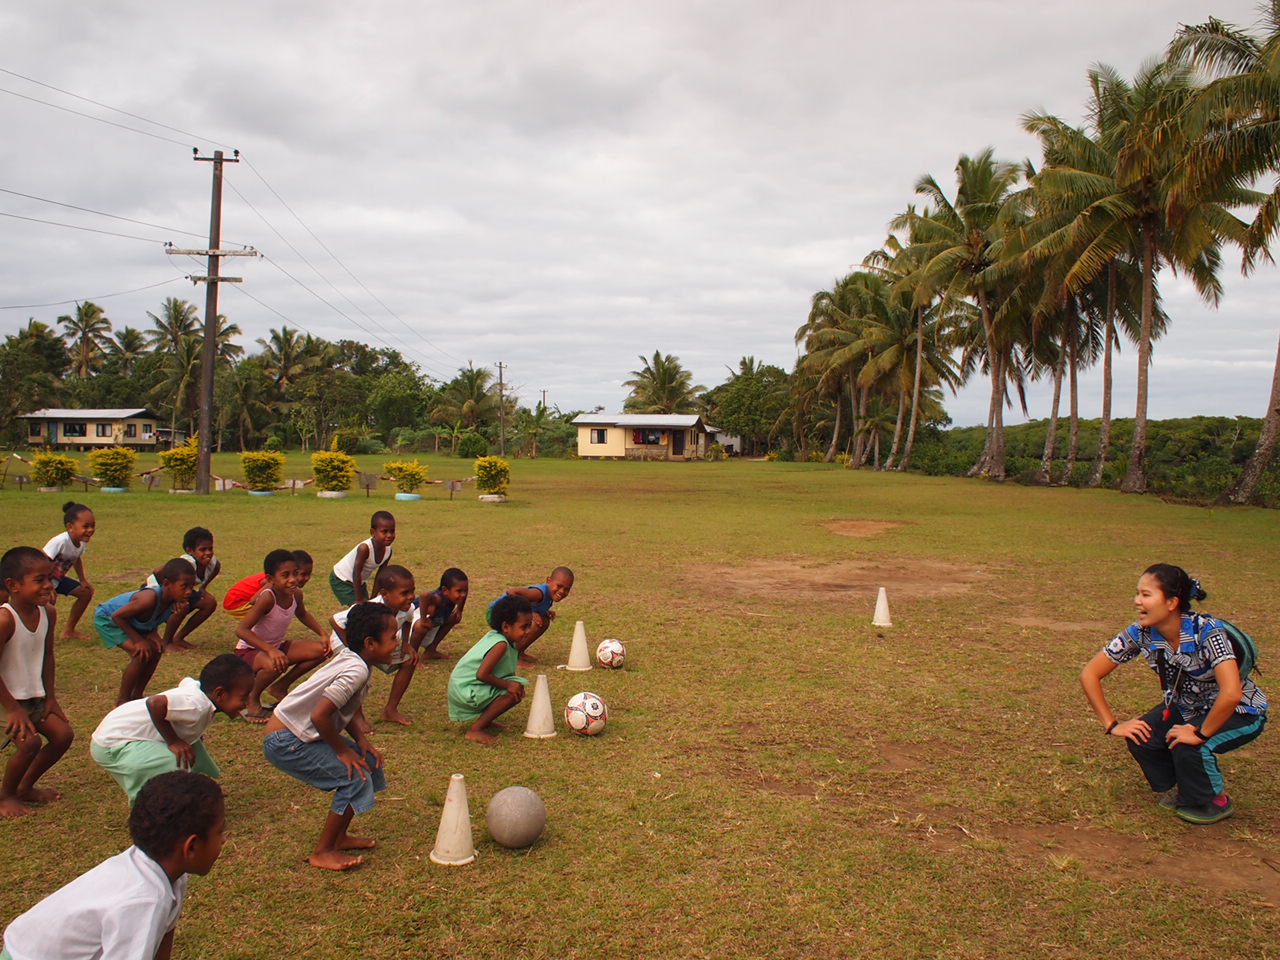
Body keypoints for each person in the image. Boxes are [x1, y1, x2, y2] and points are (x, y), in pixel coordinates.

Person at [1081, 563, 1268, 824]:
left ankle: (1215, 800)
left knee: (1188, 744)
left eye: (1146, 595)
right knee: (1141, 735)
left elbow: (1231, 694)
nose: (1137, 601)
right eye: (1137, 594)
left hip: (1240, 712)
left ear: (1171, 602)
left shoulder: (1209, 632)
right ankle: (1188, 788)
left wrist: (1199, 732)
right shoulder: (1140, 633)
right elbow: (1090, 674)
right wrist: (1112, 725)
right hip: (1186, 706)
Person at [0, 770, 225, 960]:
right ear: (191, 847)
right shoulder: (143, 900)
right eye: (219, 832)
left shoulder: (163, 869)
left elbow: (164, 937)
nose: (223, 840)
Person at [262, 601, 398, 871]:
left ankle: (339, 837)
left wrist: (361, 742)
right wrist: (342, 751)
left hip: (300, 734)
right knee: (354, 776)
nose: (397, 643)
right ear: (370, 643)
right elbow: (320, 716)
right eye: (393, 638)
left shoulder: (356, 660)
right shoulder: (356, 669)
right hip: (286, 740)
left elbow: (344, 708)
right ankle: (322, 851)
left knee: (366, 763)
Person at [91, 653, 253, 804]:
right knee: (173, 760)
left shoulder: (200, 691)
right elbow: (156, 704)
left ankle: (188, 788)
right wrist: (174, 741)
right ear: (219, 694)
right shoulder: (196, 706)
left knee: (191, 747)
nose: (246, 704)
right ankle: (151, 805)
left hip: (118, 732)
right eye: (243, 698)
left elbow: (186, 681)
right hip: (112, 743)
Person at [0, 547, 74, 818]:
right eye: (40, 580)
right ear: (13, 585)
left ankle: (24, 787)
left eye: (50, 578)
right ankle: (5, 796)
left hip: (34, 697)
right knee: (29, 744)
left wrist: (50, 697)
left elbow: (48, 655)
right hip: (7, 701)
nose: (48, 585)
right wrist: (14, 709)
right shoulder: (5, 618)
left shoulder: (48, 613)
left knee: (62, 735)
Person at [234, 549, 329, 722]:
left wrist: (323, 633)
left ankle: (280, 687)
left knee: (323, 650)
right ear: (271, 579)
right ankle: (253, 697)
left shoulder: (296, 595)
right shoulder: (268, 597)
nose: (293, 580)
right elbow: (242, 630)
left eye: (295, 573)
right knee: (274, 663)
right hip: (249, 651)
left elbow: (302, 614)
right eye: (285, 575)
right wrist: (270, 650)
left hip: (277, 646)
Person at [95, 559, 195, 705]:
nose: (189, 591)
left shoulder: (176, 602)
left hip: (132, 622)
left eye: (192, 586)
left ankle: (137, 695)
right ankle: (122, 700)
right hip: (109, 619)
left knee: (156, 650)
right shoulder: (149, 598)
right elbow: (117, 616)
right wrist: (138, 640)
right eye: (184, 586)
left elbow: (152, 618)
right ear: (166, 583)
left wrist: (153, 632)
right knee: (141, 653)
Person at [328, 565, 418, 725]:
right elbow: (335, 620)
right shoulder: (370, 609)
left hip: (377, 644)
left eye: (412, 591)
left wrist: (406, 644)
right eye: (405, 593)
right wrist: (353, 648)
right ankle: (357, 717)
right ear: (384, 594)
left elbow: (408, 620)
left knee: (409, 661)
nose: (411, 597)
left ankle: (391, 710)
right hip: (348, 643)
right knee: (360, 671)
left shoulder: (407, 607)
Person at [448, 594, 532, 744]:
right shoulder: (501, 645)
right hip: (465, 689)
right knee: (513, 692)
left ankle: (486, 720)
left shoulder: (505, 640)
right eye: (524, 627)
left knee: (515, 687)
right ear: (506, 627)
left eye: (529, 626)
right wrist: (508, 685)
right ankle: (475, 730)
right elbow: (482, 674)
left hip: (466, 685)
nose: (527, 631)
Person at [145, 527, 221, 653]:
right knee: (182, 606)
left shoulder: (213, 563)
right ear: (189, 551)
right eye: (202, 549)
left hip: (179, 592)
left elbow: (216, 569)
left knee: (209, 603)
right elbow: (157, 571)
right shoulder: (187, 562)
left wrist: (203, 588)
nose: (208, 553)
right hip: (158, 591)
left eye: (210, 548)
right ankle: (166, 642)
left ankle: (179, 638)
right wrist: (175, 598)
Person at [487, 566, 573, 665]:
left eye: (567, 589)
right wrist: (531, 613)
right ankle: (512, 657)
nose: (562, 591)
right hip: (496, 613)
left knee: (544, 621)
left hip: (509, 613)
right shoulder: (538, 593)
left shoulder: (548, 596)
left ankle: (519, 652)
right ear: (549, 581)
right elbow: (512, 592)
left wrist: (544, 611)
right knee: (534, 623)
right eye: (559, 586)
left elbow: (535, 605)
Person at [42, 500, 96, 641]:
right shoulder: (60, 541)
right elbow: (42, 561)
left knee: (85, 593)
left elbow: (76, 558)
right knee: (47, 606)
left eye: (92, 526)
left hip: (58, 580)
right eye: (85, 526)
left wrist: (83, 580)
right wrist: (46, 585)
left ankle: (69, 631)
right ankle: (40, 637)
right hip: (43, 580)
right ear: (70, 527)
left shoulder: (82, 541)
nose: (90, 530)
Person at [330, 511, 396, 605]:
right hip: (341, 579)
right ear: (373, 532)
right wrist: (359, 600)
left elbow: (380, 576)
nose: (389, 535)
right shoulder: (365, 548)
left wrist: (374, 598)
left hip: (359, 582)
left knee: (368, 608)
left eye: (392, 531)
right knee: (358, 610)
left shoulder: (388, 551)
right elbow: (356, 572)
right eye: (384, 531)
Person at [412, 567, 469, 660]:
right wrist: (423, 619)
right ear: (445, 590)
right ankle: (413, 657)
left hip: (434, 620)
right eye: (459, 591)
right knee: (421, 627)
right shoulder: (438, 598)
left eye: (465, 591)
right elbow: (424, 596)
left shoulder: (453, 596)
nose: (463, 595)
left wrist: (459, 610)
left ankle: (430, 651)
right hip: (412, 620)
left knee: (454, 617)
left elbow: (463, 596)